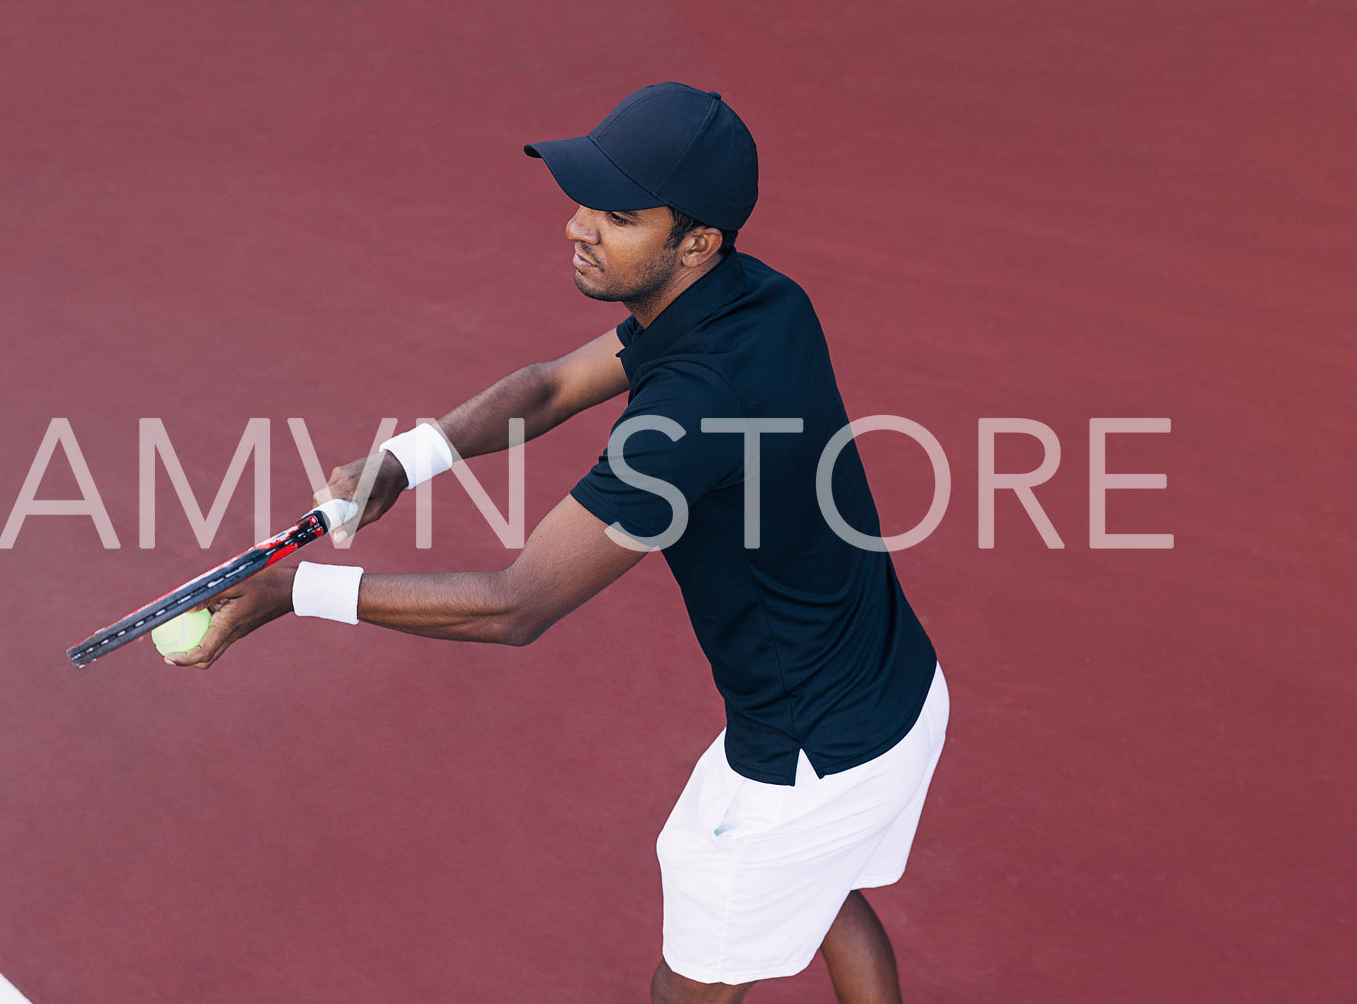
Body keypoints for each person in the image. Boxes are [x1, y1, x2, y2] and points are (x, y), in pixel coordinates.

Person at [170, 82, 948, 1004]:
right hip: (894, 690)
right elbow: (546, 389)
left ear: (694, 242)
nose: (578, 226)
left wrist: (291, 595)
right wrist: (400, 463)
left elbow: (517, 604)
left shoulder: (691, 418)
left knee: (690, 985)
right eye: (585, 201)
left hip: (810, 751)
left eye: (617, 215)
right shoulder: (754, 300)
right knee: (816, 895)